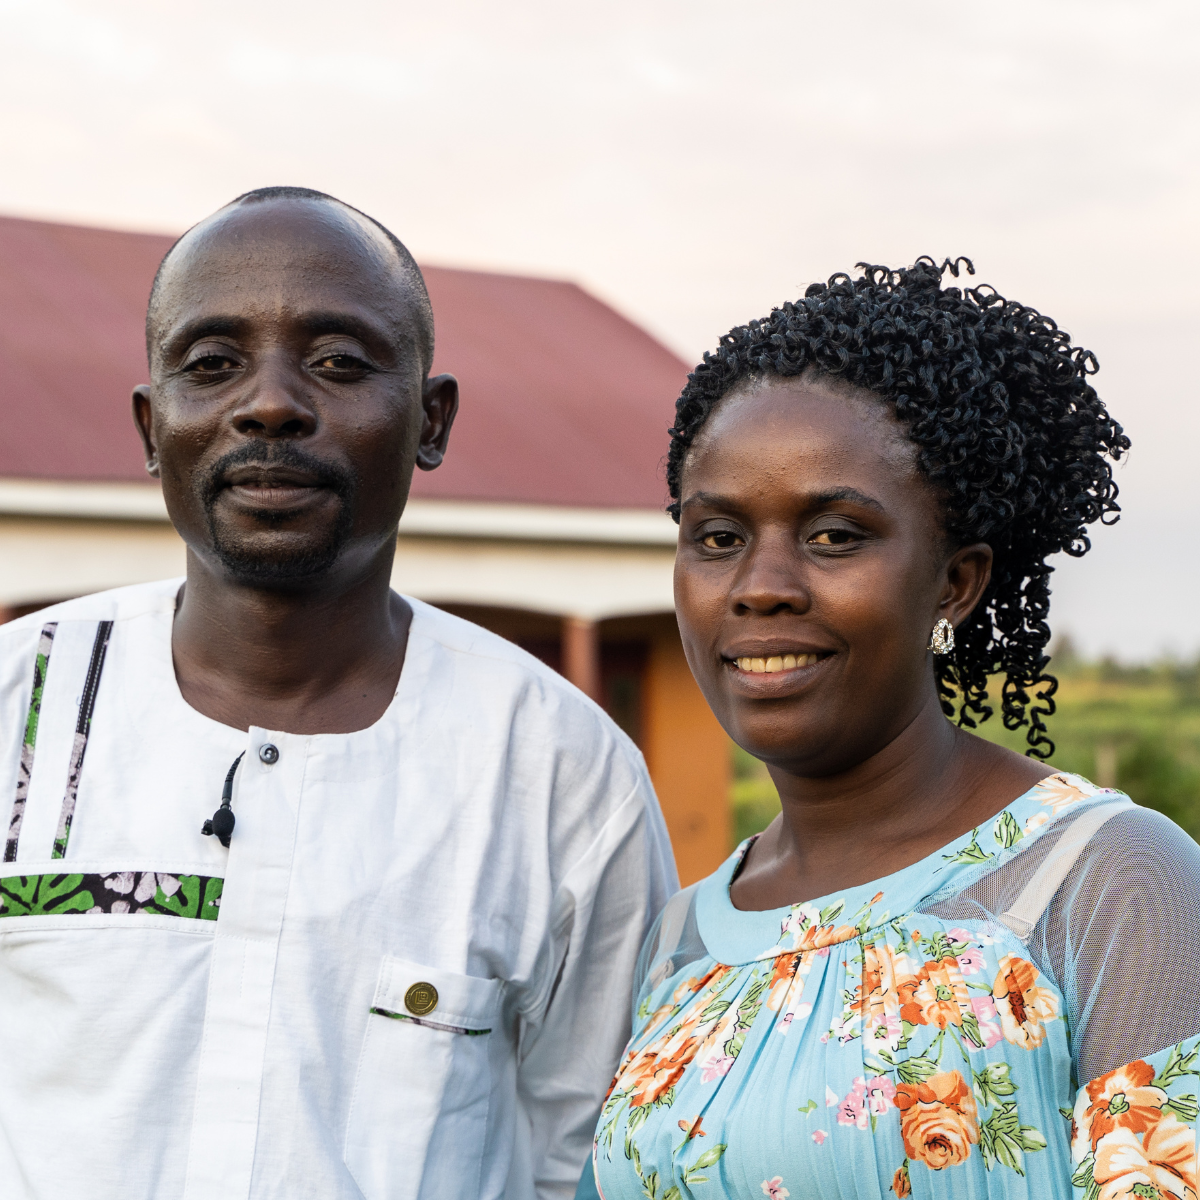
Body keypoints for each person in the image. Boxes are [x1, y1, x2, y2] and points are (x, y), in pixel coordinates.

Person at [0, 186, 676, 1200]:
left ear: (431, 421)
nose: (270, 404)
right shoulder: (22, 706)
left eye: (340, 363)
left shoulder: (560, 773)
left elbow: (590, 1160)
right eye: (212, 364)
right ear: (151, 428)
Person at [586, 259, 1200, 1199]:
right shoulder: (683, 943)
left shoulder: (1103, 883)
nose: (761, 585)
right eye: (718, 537)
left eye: (835, 535)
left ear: (954, 582)